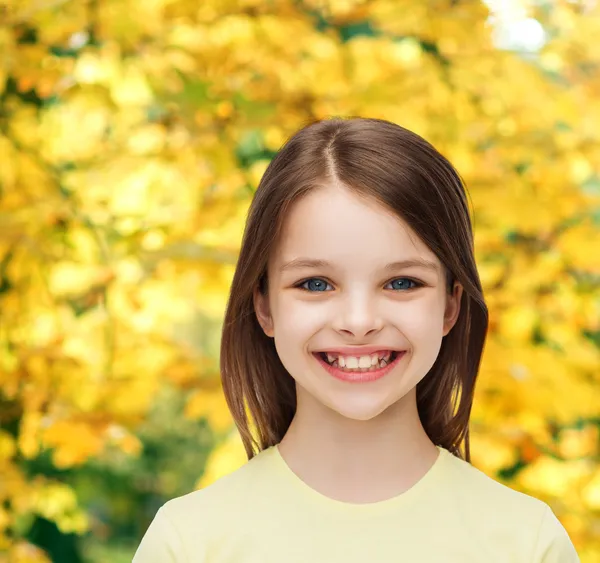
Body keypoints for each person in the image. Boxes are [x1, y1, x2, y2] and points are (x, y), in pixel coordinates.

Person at [132, 117, 580, 562]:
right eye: (315, 284)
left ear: (450, 305)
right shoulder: (188, 543)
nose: (359, 321)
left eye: (402, 283)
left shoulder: (527, 543)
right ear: (264, 306)